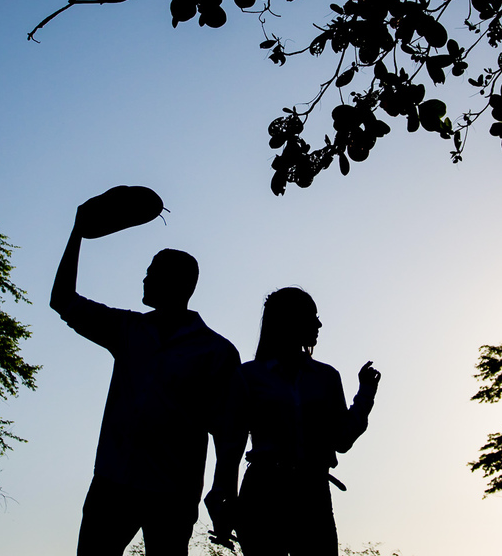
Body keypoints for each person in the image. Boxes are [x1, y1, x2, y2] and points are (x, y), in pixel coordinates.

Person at [50, 200, 244, 556]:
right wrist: (77, 233)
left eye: (153, 271)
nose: (145, 277)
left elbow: (229, 433)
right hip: (112, 482)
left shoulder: (216, 352)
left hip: (172, 492)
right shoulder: (127, 329)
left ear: (181, 283)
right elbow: (62, 300)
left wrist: (223, 490)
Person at [234, 287, 381, 556]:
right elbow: (232, 439)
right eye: (312, 316)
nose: (319, 324)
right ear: (289, 320)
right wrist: (227, 496)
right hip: (263, 492)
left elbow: (342, 439)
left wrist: (365, 396)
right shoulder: (249, 375)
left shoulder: (326, 377)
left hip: (312, 494)